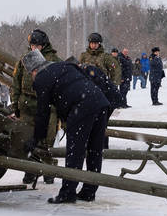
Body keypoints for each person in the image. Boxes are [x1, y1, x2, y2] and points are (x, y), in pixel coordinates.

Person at [22, 49, 111, 204]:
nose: (32, 76)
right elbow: (85, 81)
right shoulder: (64, 65)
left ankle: (68, 193)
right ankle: (89, 191)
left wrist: (37, 138)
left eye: (31, 73)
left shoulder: (41, 78)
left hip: (81, 106)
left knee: (75, 151)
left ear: (34, 70)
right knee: (94, 150)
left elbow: (43, 112)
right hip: (100, 101)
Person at [11, 29, 61, 184]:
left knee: (47, 140)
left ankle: (48, 169)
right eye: (33, 46)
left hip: (47, 106)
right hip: (27, 104)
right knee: (27, 138)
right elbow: (16, 82)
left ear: (43, 45)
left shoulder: (54, 60)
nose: (35, 49)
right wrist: (15, 104)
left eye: (37, 46)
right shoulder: (23, 60)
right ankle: (31, 170)